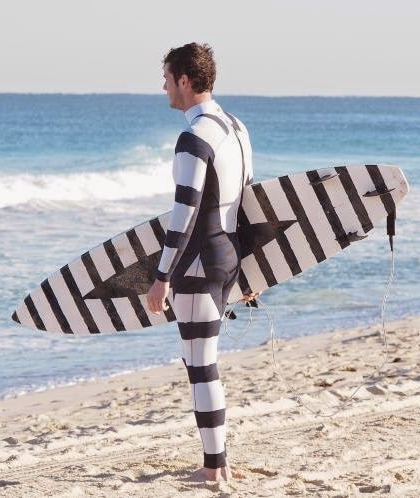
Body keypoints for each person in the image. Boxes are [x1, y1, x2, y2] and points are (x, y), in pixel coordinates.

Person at [146, 42, 257, 482]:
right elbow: (248, 204)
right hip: (227, 257)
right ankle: (220, 461)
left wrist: (162, 276)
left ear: (185, 81)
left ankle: (214, 469)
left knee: (201, 365)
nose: (164, 87)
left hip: (195, 264)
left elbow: (185, 211)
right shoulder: (236, 128)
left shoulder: (193, 138)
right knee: (205, 362)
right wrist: (252, 271)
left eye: (168, 79)